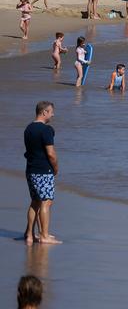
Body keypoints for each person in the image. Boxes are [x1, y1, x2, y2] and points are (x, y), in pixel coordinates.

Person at [23, 101, 59, 245]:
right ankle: (44, 235)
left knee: (35, 202)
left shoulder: (28, 129)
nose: (53, 114)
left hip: (30, 169)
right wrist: (55, 168)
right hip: (43, 170)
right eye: (51, 112)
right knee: (46, 202)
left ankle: (30, 235)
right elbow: (51, 153)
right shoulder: (46, 130)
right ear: (44, 112)